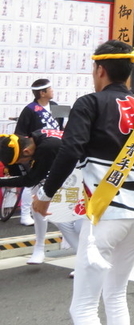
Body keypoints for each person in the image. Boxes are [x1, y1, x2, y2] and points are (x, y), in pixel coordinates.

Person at [31, 40, 134, 325]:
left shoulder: (89, 103)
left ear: (100, 69)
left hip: (106, 215)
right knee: (115, 296)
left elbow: (70, 151)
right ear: (128, 72)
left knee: (83, 307)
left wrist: (45, 196)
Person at [0, 130, 82, 264]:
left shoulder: (46, 148)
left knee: (63, 219)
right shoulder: (37, 137)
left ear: (26, 152)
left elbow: (30, 180)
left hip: (83, 176)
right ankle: (40, 248)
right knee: (39, 207)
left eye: (21, 161)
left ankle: (84, 259)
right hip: (69, 173)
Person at [15, 77, 63, 227]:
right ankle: (24, 214)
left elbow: (65, 124)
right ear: (42, 93)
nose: (53, 91)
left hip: (55, 148)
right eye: (50, 89)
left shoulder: (56, 106)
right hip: (38, 151)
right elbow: (20, 133)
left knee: (54, 181)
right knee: (32, 182)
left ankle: (52, 211)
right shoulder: (30, 109)